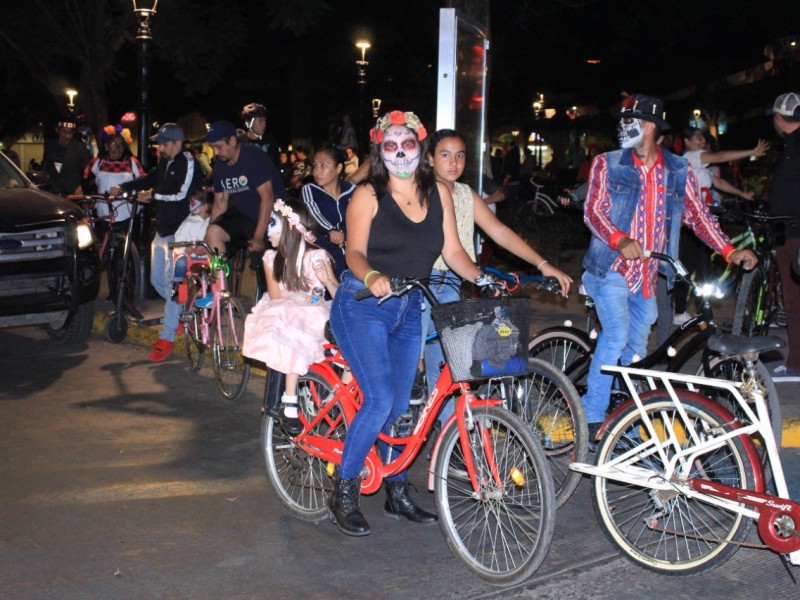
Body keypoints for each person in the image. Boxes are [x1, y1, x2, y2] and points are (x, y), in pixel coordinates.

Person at [328, 110, 493, 537]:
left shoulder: (435, 192)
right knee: (381, 399)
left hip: (409, 307)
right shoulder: (368, 194)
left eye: (408, 144)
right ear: (380, 151)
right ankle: (343, 488)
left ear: (420, 147)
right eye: (390, 146)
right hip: (362, 303)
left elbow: (455, 252)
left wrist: (486, 278)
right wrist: (373, 277)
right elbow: (354, 253)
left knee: (402, 406)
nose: (400, 153)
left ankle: (395, 488)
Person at [581, 94, 757, 442]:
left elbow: (698, 216)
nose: (622, 127)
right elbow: (593, 212)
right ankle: (593, 414)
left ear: (648, 126)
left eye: (628, 121)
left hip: (648, 276)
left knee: (635, 350)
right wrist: (619, 239)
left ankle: (625, 419)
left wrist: (728, 249)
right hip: (609, 268)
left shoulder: (678, 171)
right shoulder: (608, 163)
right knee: (616, 334)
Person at [422, 128, 573, 422]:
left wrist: (542, 264)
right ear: (429, 159)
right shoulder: (423, 193)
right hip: (422, 282)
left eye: (460, 156)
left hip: (453, 283)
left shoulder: (465, 194)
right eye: (445, 155)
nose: (453, 162)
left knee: (449, 366)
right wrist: (480, 277)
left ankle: (448, 439)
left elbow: (500, 232)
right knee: (415, 368)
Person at [243, 200, 338, 434]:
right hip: (286, 312)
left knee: (299, 323)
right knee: (287, 325)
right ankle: (290, 399)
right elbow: (277, 299)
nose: (266, 229)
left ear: (291, 228)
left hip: (314, 312)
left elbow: (319, 295)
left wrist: (324, 283)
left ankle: (332, 396)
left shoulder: (315, 257)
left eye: (272, 223)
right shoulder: (271, 259)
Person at [112, 123, 202, 362]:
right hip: (162, 231)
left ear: (176, 143)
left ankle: (167, 337)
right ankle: (184, 312)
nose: (160, 148)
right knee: (157, 281)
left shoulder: (187, 162)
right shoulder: (165, 162)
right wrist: (124, 187)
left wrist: (153, 195)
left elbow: (181, 194)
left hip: (180, 232)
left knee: (173, 286)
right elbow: (151, 179)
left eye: (163, 143)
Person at [204, 120, 286, 256]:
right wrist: (207, 240)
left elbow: (268, 197)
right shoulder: (220, 166)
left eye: (218, 147)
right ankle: (220, 276)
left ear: (232, 140)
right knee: (213, 233)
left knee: (264, 264)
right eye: (213, 148)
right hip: (244, 216)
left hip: (272, 216)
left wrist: (258, 236)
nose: (216, 152)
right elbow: (219, 204)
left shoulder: (254, 157)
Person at [767, 92, 800, 379]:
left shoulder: (796, 145)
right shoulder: (792, 144)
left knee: (794, 302)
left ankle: (797, 365)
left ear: (779, 118)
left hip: (794, 235)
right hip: (788, 232)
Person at [300, 146, 356, 280]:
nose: (317, 171)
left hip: (352, 245)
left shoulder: (352, 191)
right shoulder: (310, 190)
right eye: (315, 166)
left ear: (338, 168)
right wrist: (330, 230)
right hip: (322, 246)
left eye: (323, 165)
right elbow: (313, 213)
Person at [83, 125, 144, 230]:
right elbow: (85, 181)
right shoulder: (97, 163)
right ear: (106, 146)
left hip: (127, 213)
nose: (118, 148)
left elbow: (143, 180)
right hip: (103, 213)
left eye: (121, 145)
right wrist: (88, 201)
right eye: (114, 144)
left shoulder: (132, 162)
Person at [171, 189, 213, 287]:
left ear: (205, 206)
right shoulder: (187, 223)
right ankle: (177, 289)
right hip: (190, 257)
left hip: (208, 258)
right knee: (181, 263)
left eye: (194, 202)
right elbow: (178, 241)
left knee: (220, 265)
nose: (191, 205)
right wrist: (185, 249)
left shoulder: (212, 223)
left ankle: (217, 291)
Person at [42, 118, 92, 195]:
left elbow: (88, 172)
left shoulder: (80, 148)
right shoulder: (50, 148)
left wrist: (82, 188)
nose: (67, 136)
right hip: (52, 196)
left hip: (73, 195)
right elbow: (45, 169)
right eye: (64, 131)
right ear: (57, 130)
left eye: (70, 132)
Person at [240, 102, 281, 167]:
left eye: (265, 121)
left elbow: (276, 166)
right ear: (249, 122)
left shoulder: (271, 141)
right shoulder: (240, 142)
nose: (264, 124)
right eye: (260, 121)